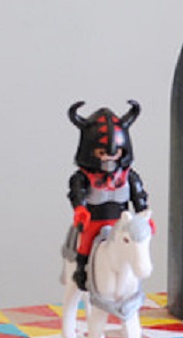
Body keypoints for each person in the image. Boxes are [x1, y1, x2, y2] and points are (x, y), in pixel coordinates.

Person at [66, 100, 150, 290]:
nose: (109, 157)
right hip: (94, 220)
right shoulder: (83, 177)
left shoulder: (128, 176)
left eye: (116, 152)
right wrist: (80, 210)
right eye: (102, 152)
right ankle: (81, 270)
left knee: (136, 243)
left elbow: (139, 196)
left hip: (121, 223)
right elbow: (77, 194)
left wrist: (144, 214)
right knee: (86, 241)